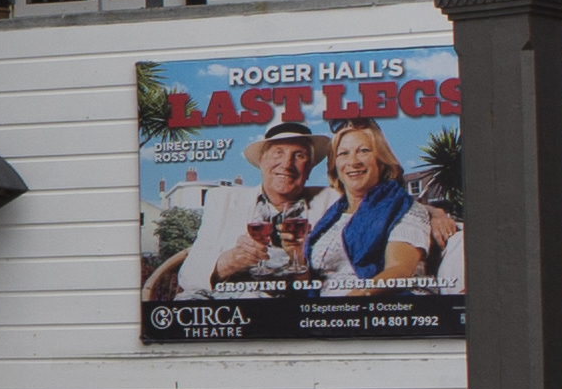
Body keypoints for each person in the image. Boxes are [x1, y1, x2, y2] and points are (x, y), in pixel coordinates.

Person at [146, 121, 328, 300]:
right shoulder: (223, 200)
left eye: (299, 155)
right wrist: (230, 261)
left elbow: (336, 280)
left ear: (311, 166)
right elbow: (188, 278)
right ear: (261, 161)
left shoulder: (329, 202)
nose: (287, 164)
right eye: (278, 153)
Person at [299, 120, 458, 293]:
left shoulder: (402, 208)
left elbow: (399, 270)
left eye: (364, 151)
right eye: (343, 153)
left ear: (381, 161)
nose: (353, 162)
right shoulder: (331, 215)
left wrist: (346, 304)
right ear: (335, 165)